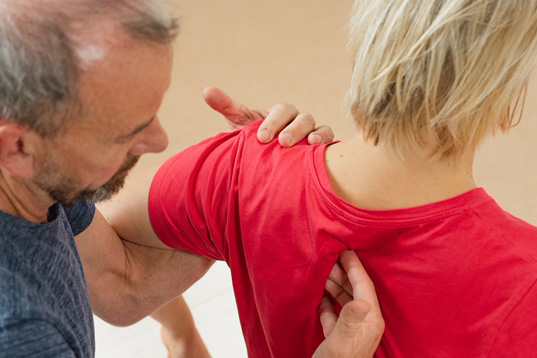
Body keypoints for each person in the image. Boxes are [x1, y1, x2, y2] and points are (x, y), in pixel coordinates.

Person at [90, 0, 537, 356]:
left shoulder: (246, 167)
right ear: (506, 90)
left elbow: (97, 242)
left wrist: (235, 196)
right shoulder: (524, 282)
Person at [0, 0, 383, 357]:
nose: (160, 141)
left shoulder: (42, 173)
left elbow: (122, 284)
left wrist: (244, 176)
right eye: (126, 132)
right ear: (16, 148)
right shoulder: (21, 332)